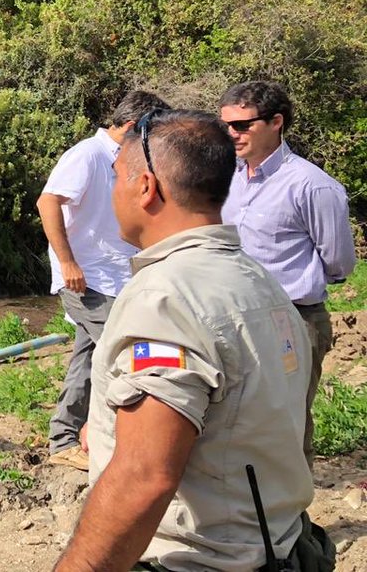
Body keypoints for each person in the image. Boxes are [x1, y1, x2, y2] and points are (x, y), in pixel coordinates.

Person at [55, 110, 334, 572]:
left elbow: (144, 477)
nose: (112, 194)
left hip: (198, 559)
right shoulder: (255, 278)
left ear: (146, 188)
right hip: (279, 545)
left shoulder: (165, 299)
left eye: (116, 179)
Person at [220, 80, 356, 467]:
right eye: (227, 125)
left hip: (290, 319)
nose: (232, 134)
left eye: (243, 125)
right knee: (238, 419)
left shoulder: (312, 186)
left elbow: (339, 261)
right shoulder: (225, 178)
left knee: (289, 422)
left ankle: (295, 521)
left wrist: (294, 281)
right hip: (231, 318)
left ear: (276, 122)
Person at [38, 90, 169, 471]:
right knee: (127, 354)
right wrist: (67, 263)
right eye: (150, 132)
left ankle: (64, 436)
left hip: (116, 279)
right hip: (85, 279)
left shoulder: (121, 159)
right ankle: (122, 438)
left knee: (90, 355)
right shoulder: (87, 155)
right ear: (132, 127)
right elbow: (48, 202)